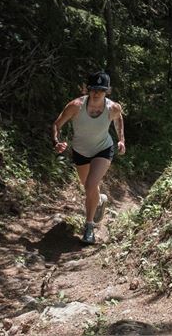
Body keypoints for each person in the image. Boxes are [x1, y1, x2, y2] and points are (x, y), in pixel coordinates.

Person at [52, 71, 126, 244]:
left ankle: (89, 227)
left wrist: (121, 140)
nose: (96, 93)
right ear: (87, 89)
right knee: (88, 186)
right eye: (93, 89)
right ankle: (99, 200)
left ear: (107, 91)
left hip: (103, 149)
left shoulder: (113, 107)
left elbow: (119, 119)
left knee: (90, 185)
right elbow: (57, 124)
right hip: (81, 151)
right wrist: (56, 141)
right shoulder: (75, 106)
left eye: (100, 89)